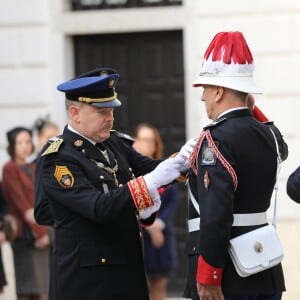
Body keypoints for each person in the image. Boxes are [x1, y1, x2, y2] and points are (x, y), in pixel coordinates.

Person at [34, 67, 195, 300]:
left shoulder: (115, 143)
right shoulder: (59, 158)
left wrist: (183, 161)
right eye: (101, 111)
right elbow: (98, 207)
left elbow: (151, 168)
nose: (110, 118)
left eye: (111, 110)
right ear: (75, 113)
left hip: (126, 271)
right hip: (88, 283)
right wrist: (152, 181)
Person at [183, 31, 288, 300]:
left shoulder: (215, 138)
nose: (203, 97)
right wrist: (247, 103)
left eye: (205, 89)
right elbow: (281, 147)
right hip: (263, 267)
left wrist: (209, 274)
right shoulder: (269, 135)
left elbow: (217, 214)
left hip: (228, 274)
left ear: (218, 91)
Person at [2, 127, 50, 300]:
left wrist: (44, 233)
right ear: (12, 145)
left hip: (40, 234)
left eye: (28, 142)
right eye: (20, 142)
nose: (24, 146)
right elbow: (21, 203)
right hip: (26, 236)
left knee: (44, 290)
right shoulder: (9, 168)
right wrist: (40, 232)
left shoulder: (33, 166)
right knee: (27, 289)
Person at [133, 123, 178, 300]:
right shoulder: (130, 170)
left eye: (151, 140)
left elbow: (172, 200)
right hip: (139, 236)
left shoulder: (164, 169)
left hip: (161, 236)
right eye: (143, 139)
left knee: (159, 286)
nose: (147, 144)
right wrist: (149, 226)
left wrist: (159, 224)